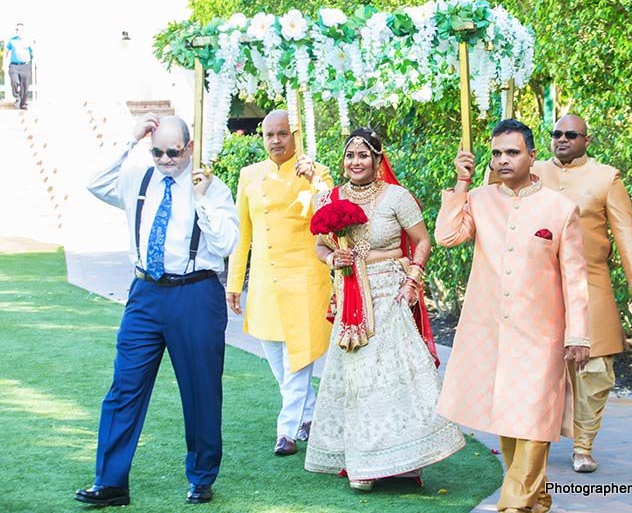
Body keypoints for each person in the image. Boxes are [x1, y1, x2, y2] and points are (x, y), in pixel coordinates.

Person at [76, 114, 239, 506]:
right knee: (124, 387)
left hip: (195, 293)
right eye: (157, 151)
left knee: (200, 390)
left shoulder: (211, 188)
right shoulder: (140, 177)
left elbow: (227, 243)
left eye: (173, 152)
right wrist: (129, 139)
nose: (165, 159)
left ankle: (201, 476)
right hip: (146, 293)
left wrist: (202, 201)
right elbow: (95, 182)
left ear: (189, 147)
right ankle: (111, 481)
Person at [435, 119, 590, 513]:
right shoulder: (481, 199)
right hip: (490, 332)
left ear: (532, 156)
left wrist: (579, 335)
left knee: (535, 422)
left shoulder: (559, 208)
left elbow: (575, 277)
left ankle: (513, 506)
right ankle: (536, 500)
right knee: (509, 421)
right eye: (497, 153)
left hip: (542, 336)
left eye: (512, 152)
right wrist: (462, 184)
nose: (503, 160)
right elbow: (447, 236)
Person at [304, 128, 465, 491]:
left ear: (378, 160)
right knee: (357, 378)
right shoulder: (328, 198)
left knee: (390, 376)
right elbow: (319, 246)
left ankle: (406, 461)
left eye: (363, 155)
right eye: (350, 155)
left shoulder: (396, 197)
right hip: (350, 295)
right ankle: (365, 463)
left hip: (389, 291)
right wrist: (333, 258)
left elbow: (422, 241)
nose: (355, 162)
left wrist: (412, 282)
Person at [539, 114, 632, 473]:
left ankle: (583, 446)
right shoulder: (534, 172)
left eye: (571, 135)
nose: (562, 140)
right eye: (556, 134)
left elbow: (627, 235)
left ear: (586, 140)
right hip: (541, 284)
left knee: (595, 367)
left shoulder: (606, 177)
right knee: (540, 367)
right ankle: (535, 440)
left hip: (592, 281)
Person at [226, 110, 333, 456]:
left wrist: (316, 181)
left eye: (282, 133)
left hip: (305, 278)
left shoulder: (315, 173)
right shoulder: (249, 176)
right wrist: (233, 281)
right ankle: (311, 414)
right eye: (269, 134)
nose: (276, 140)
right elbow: (243, 235)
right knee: (275, 355)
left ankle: (286, 431)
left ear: (294, 135)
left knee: (298, 357)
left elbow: (331, 216)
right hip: (264, 282)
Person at [4, 23, 33, 109]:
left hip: (25, 65)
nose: (17, 31)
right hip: (14, 66)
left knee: (25, 86)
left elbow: (33, 51)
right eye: (16, 29)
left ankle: (23, 103)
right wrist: (3, 64)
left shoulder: (28, 41)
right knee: (14, 81)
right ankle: (17, 98)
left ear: (23, 31)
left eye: (19, 29)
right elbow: (6, 52)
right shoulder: (12, 40)